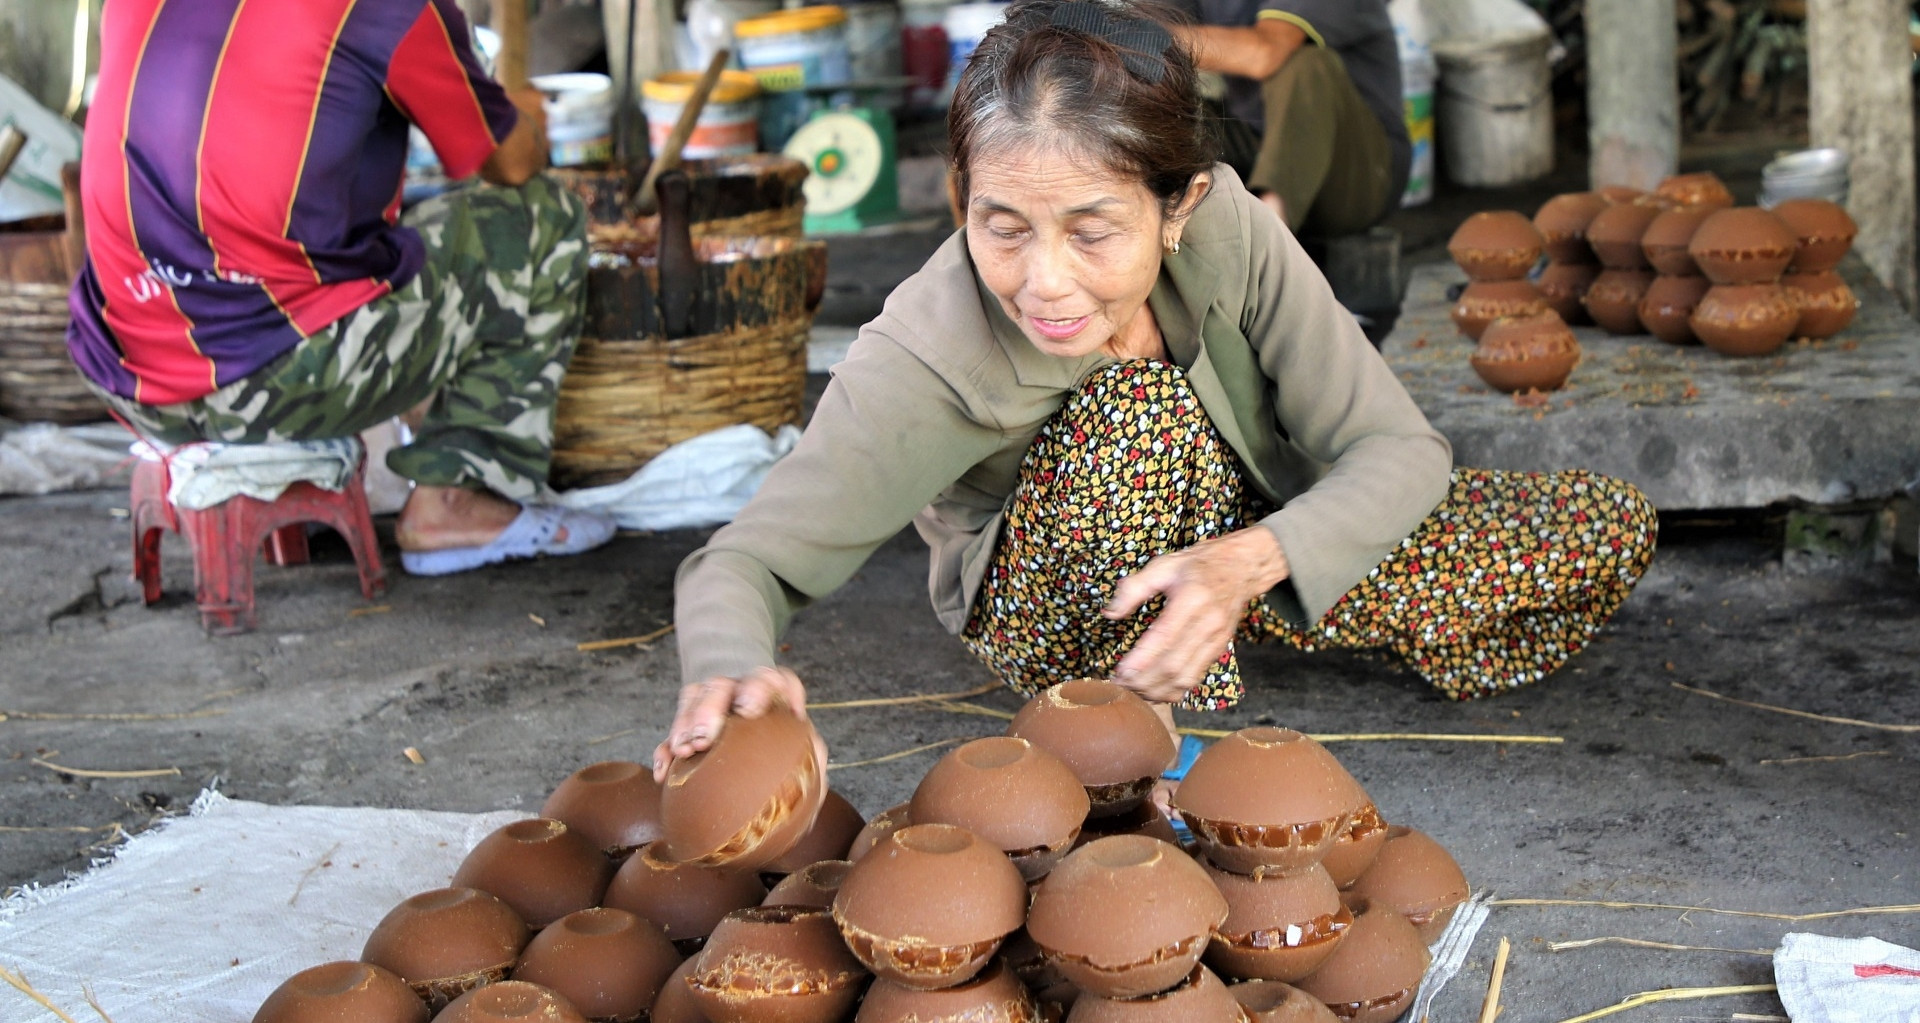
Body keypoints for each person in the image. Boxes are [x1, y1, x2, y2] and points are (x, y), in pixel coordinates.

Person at [655, 0, 1655, 776]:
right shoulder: (925, 350)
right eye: (1003, 225)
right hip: (1049, 592)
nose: (1045, 281)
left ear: (1181, 207)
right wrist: (728, 670)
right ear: (964, 198)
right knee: (1135, 407)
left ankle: (1241, 615)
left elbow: (1399, 452)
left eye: (1091, 231)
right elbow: (748, 563)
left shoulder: (1235, 233)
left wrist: (1256, 561)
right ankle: (1128, 744)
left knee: (1606, 525)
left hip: (1248, 525)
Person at [66, 0, 614, 576]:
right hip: (277, 383)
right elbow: (511, 163)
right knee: (537, 217)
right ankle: (455, 497)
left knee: (344, 236)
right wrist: (520, 115)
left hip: (129, 378)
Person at [1168, 0, 1409, 238]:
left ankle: (1267, 238)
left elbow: (1264, 53)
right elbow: (1151, 31)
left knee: (1305, 64)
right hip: (1258, 142)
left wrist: (1150, 37)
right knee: (1164, 110)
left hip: (1357, 174)